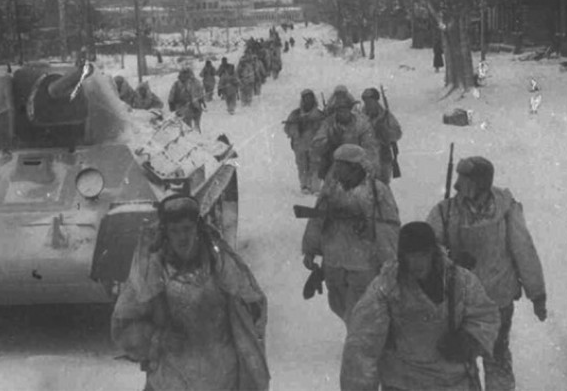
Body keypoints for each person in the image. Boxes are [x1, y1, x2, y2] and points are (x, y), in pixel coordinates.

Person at [111, 194, 270, 391]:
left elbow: (253, 305)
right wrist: (158, 339)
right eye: (174, 231)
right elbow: (123, 325)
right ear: (165, 233)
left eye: (187, 229)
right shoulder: (150, 271)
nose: (182, 237)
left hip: (221, 378)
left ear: (198, 228)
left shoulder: (221, 264)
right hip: (171, 380)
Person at [426, 157, 547, 391]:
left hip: (497, 300)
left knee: (497, 355)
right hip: (460, 301)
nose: (459, 184)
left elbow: (523, 250)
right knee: (461, 361)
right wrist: (448, 257)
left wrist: (537, 294)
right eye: (459, 177)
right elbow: (429, 247)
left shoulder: (505, 209)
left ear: (481, 182)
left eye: (466, 178)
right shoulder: (445, 211)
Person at [341, 222, 501, 391]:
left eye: (423, 254)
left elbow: (486, 316)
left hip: (453, 381)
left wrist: (469, 341)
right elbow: (361, 347)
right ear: (402, 257)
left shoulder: (459, 280)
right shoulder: (386, 288)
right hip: (403, 382)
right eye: (411, 256)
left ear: (433, 252)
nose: (418, 263)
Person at [301, 144, 400, 321]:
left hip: (363, 263)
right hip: (334, 262)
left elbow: (387, 228)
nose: (336, 169)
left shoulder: (376, 191)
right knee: (338, 305)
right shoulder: (331, 189)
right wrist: (310, 249)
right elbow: (317, 219)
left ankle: (357, 336)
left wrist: (390, 263)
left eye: (342, 165)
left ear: (355, 167)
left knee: (360, 311)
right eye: (336, 164)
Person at [311, 87, 379, 183]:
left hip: (357, 168)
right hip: (334, 168)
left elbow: (370, 147)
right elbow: (316, 144)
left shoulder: (361, 124)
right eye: (339, 110)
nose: (342, 113)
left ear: (350, 109)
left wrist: (366, 164)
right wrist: (329, 142)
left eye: (345, 109)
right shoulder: (328, 123)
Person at [283, 89, 326, 194]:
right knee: (302, 166)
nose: (308, 101)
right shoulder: (295, 114)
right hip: (300, 145)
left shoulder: (319, 115)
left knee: (315, 165)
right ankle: (304, 185)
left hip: (315, 145)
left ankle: (315, 186)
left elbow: (324, 127)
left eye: (310, 98)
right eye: (306, 98)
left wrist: (318, 138)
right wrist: (296, 132)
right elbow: (287, 128)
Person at [361, 88, 403, 185]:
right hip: (366, 158)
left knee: (383, 186)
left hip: (383, 157)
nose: (368, 103)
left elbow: (397, 133)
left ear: (376, 101)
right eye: (366, 101)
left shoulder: (386, 116)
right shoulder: (360, 117)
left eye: (370, 100)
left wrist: (386, 132)